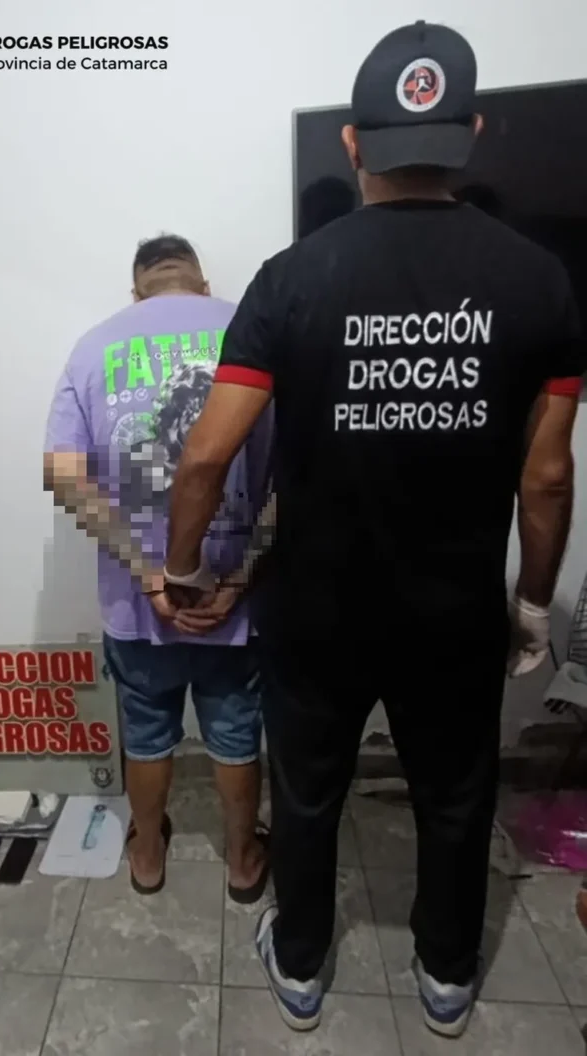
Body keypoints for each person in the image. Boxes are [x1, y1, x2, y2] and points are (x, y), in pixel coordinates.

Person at [163, 21, 584, 1038]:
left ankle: (302, 966)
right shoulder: (540, 282)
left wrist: (182, 571)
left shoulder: (290, 278)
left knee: (308, 792)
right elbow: (545, 474)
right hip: (452, 610)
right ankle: (447, 977)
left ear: (354, 143)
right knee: (455, 794)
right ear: (470, 134)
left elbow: (207, 456)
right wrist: (533, 603)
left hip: (320, 609)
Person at [44, 234, 272, 901]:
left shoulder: (93, 348)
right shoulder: (253, 330)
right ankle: (242, 860)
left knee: (146, 735)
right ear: (201, 284)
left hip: (140, 604)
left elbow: (64, 476)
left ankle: (146, 855)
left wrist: (147, 572)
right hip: (234, 601)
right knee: (235, 732)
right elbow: (299, 476)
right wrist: (241, 576)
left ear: (137, 291)